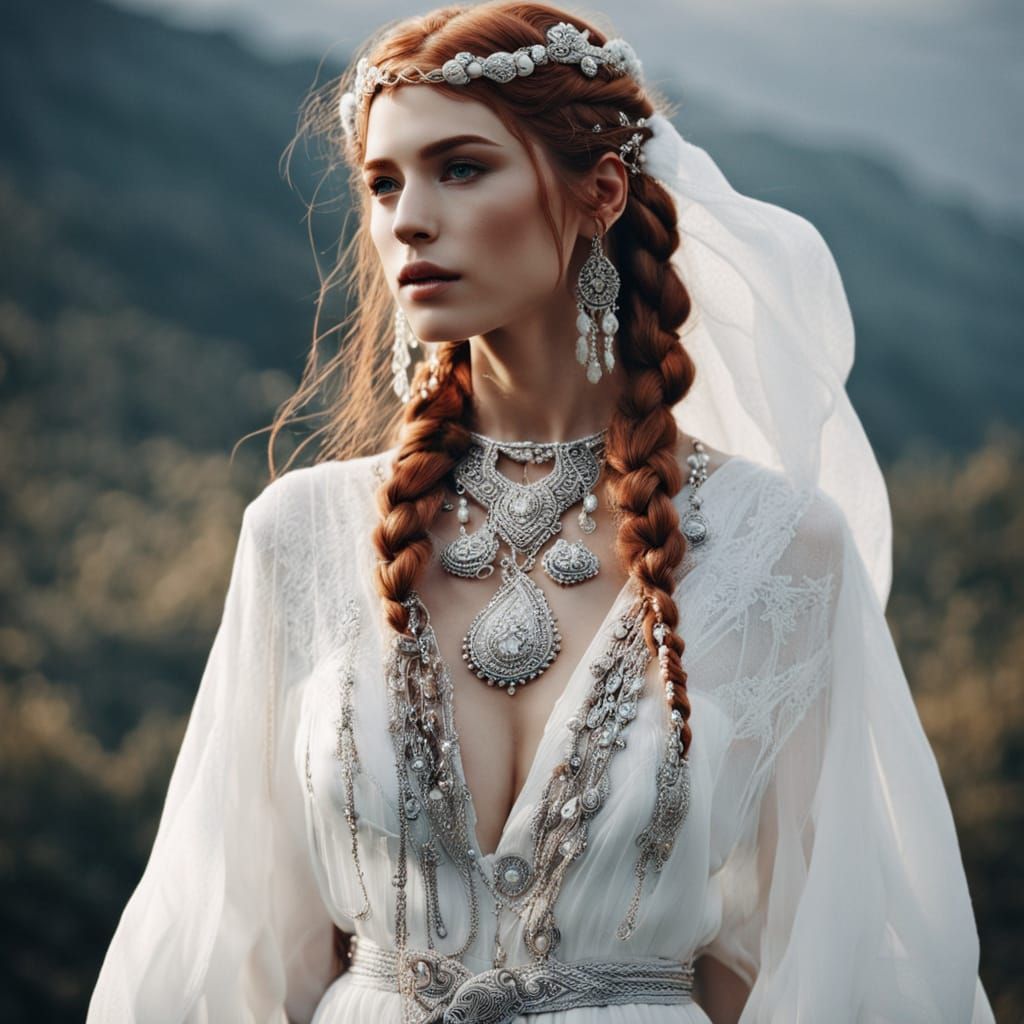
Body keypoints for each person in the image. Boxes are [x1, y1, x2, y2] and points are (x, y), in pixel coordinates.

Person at [87, 2, 996, 1022]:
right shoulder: (300, 533)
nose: (407, 219)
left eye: (460, 168)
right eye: (382, 183)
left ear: (599, 191)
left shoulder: (779, 547)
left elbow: (820, 956)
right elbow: (239, 948)